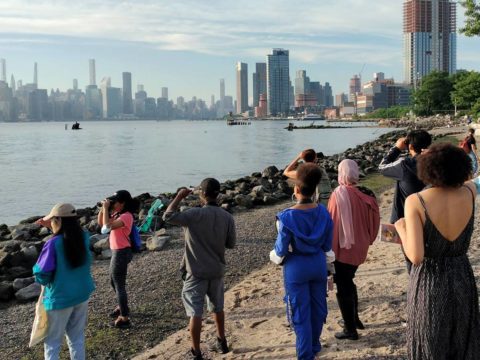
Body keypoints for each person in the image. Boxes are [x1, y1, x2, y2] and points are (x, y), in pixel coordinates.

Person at [395, 143, 480, 359]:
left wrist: (401, 229)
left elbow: (415, 256)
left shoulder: (416, 201)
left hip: (430, 279)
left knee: (430, 340)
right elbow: (473, 181)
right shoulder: (469, 192)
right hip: (462, 273)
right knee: (462, 338)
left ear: (427, 169)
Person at [163, 178, 236, 360]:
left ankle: (196, 352)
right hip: (216, 270)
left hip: (196, 272)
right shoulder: (227, 217)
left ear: (202, 193)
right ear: (217, 194)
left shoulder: (193, 214)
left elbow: (168, 216)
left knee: (195, 312)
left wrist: (179, 196)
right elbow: (231, 244)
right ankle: (222, 341)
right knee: (217, 308)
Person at [273, 163, 333, 360]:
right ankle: (315, 346)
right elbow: (327, 246)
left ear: (296, 189)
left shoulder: (286, 217)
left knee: (300, 313)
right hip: (317, 264)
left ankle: (306, 354)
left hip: (296, 267)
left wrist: (273, 256)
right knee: (318, 308)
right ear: (315, 188)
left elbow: (280, 251)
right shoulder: (324, 212)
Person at [33, 203, 95, 360]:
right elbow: (66, 239)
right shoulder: (83, 237)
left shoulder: (52, 244)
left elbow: (41, 273)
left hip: (60, 298)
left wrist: (44, 280)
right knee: (76, 338)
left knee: (52, 343)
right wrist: (51, 226)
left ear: (58, 220)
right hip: (81, 294)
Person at [327, 160, 380, 340]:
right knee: (349, 280)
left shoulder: (338, 194)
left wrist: (329, 252)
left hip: (342, 248)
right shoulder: (367, 193)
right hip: (361, 246)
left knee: (343, 287)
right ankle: (354, 319)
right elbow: (375, 223)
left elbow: (331, 224)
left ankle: (350, 330)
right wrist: (368, 239)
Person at [378, 130, 432, 273]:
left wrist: (396, 148)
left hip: (406, 220)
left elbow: (382, 168)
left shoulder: (404, 164)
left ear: (410, 147)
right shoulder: (436, 163)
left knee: (411, 257)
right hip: (432, 217)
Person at [97, 190, 139, 329]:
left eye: (116, 202)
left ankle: (125, 317)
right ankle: (121, 306)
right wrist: (104, 210)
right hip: (117, 251)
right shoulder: (117, 214)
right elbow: (100, 224)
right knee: (113, 282)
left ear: (123, 203)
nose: (114, 204)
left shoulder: (126, 216)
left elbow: (106, 228)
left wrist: (105, 208)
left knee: (119, 284)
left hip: (122, 252)